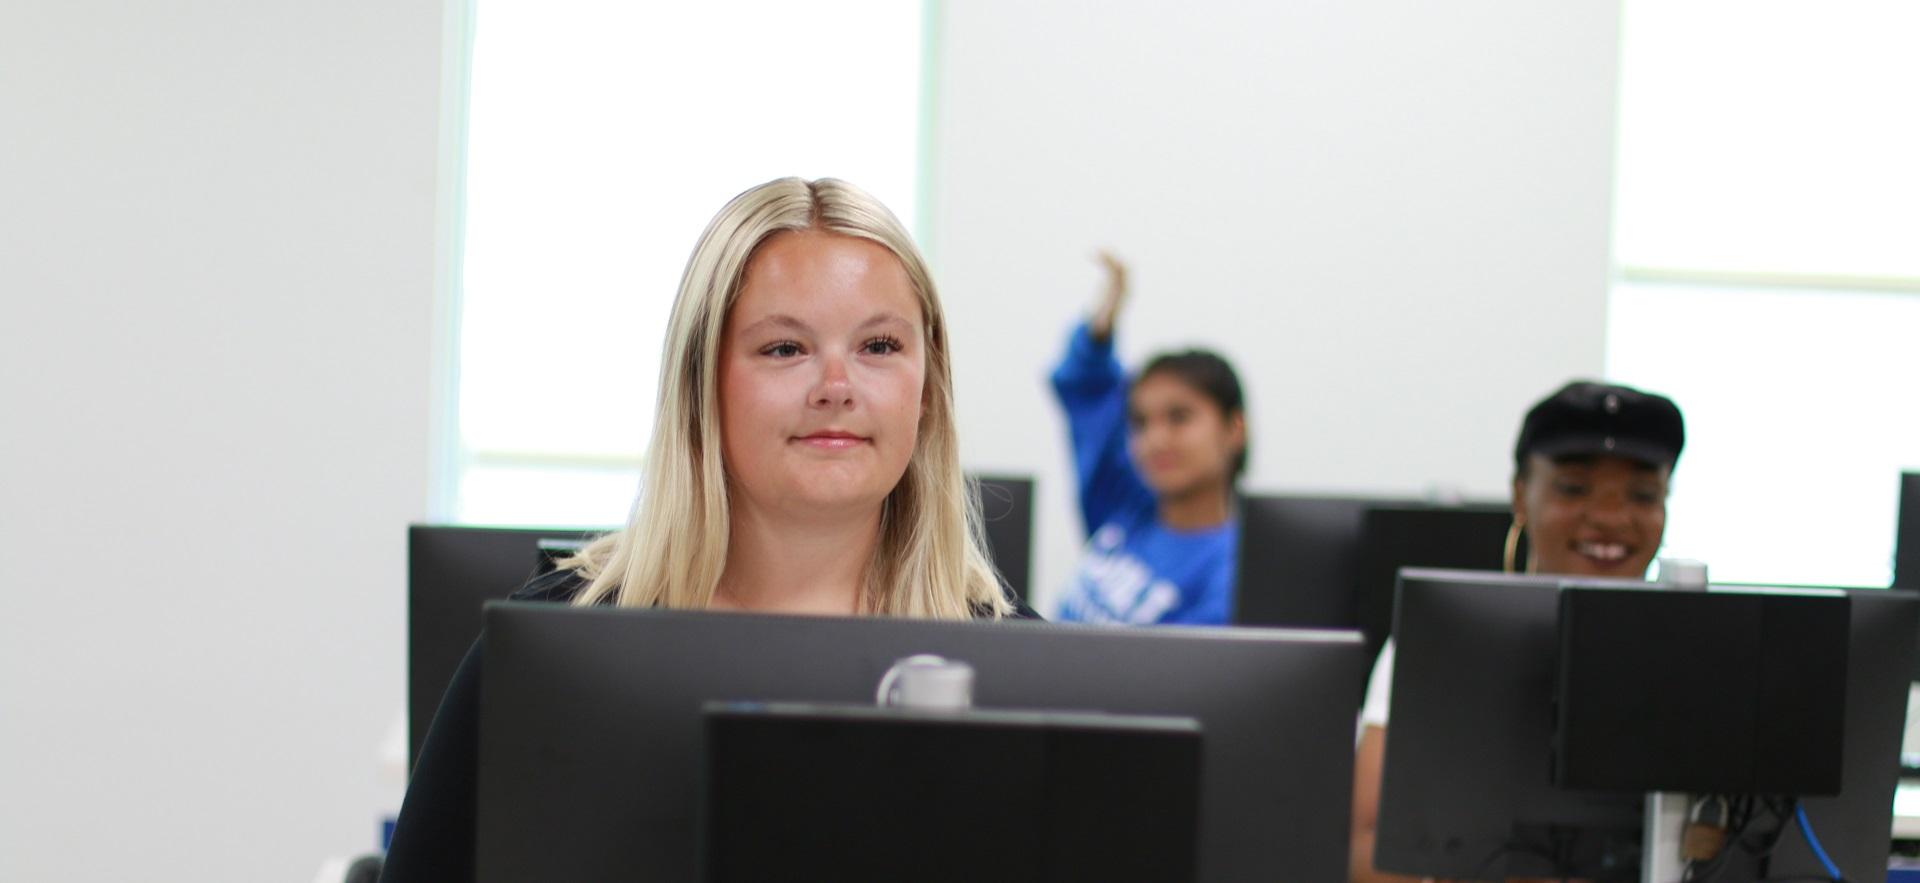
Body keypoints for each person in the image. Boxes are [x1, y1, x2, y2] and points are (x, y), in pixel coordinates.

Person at [381, 177, 1034, 883]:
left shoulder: (1026, 678)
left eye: (878, 344)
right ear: (702, 383)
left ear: (927, 387)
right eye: (785, 348)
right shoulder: (554, 653)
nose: (837, 385)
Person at [1347, 380, 1686, 883]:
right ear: (1520, 496)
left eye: (1642, 494)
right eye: (1574, 488)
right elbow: (1365, 849)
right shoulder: (1441, 643)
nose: (1611, 517)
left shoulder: (1697, 655)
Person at [1048, 253, 1249, 626]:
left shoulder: (1234, 571)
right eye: (1140, 423)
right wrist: (1100, 328)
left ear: (1234, 429)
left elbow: (1176, 680)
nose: (1155, 439)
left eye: (1179, 417)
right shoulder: (1124, 504)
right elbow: (1084, 388)